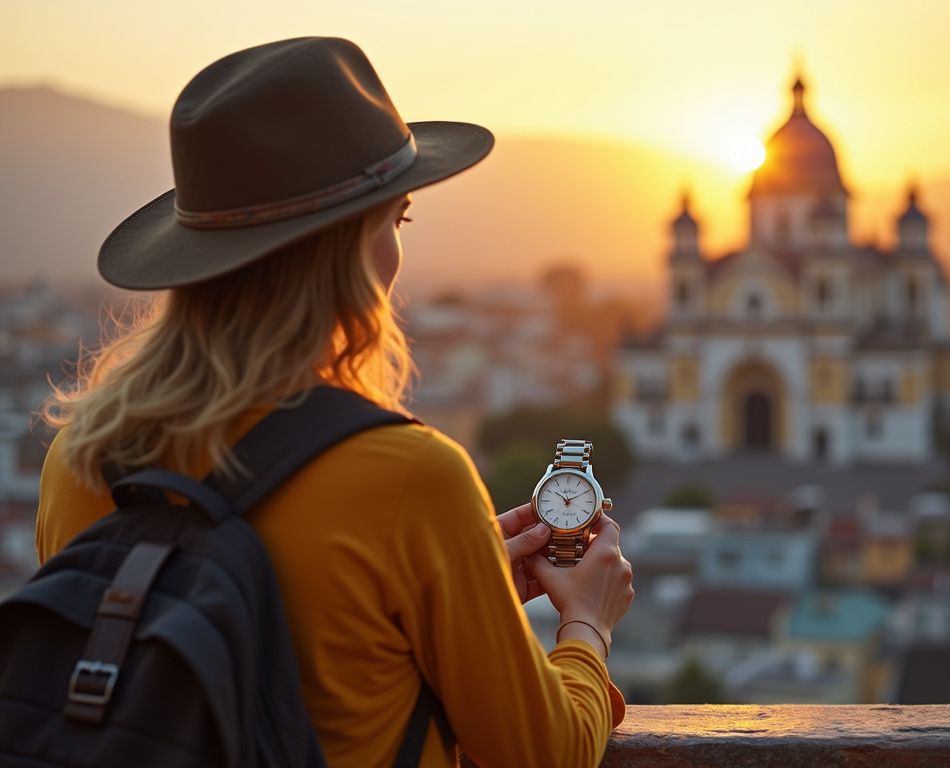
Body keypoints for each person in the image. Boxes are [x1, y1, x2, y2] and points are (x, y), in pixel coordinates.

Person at [35, 37, 634, 768]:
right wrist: (589, 625)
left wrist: (463, 590)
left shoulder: (81, 456)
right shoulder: (409, 477)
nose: (398, 253)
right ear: (353, 249)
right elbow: (543, 753)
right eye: (397, 221)